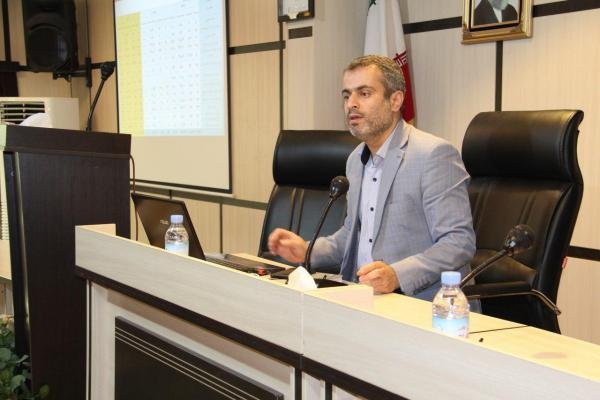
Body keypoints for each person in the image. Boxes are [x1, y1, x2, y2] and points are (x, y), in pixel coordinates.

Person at [268, 55, 475, 300]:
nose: (351, 104)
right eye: (347, 96)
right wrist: (307, 249)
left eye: (364, 93)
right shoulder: (356, 160)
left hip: (424, 304)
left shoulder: (433, 155)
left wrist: (397, 275)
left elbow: (458, 242)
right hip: (364, 297)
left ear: (395, 100)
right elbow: (353, 235)